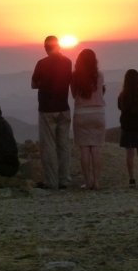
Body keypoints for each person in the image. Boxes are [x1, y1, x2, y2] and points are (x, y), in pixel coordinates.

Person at [30, 35, 73, 189]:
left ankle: (51, 181)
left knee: (48, 146)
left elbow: (34, 84)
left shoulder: (42, 63)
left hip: (47, 109)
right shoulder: (68, 62)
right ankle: (64, 180)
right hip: (64, 107)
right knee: (63, 145)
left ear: (46, 48)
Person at [71, 48, 106, 190]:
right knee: (96, 149)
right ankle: (97, 181)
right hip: (98, 113)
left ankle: (88, 181)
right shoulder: (100, 75)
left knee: (84, 149)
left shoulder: (74, 76)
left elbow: (74, 95)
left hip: (81, 114)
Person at [118, 69, 138, 188]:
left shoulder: (123, 95)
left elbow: (119, 107)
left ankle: (132, 179)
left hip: (127, 127)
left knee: (129, 154)